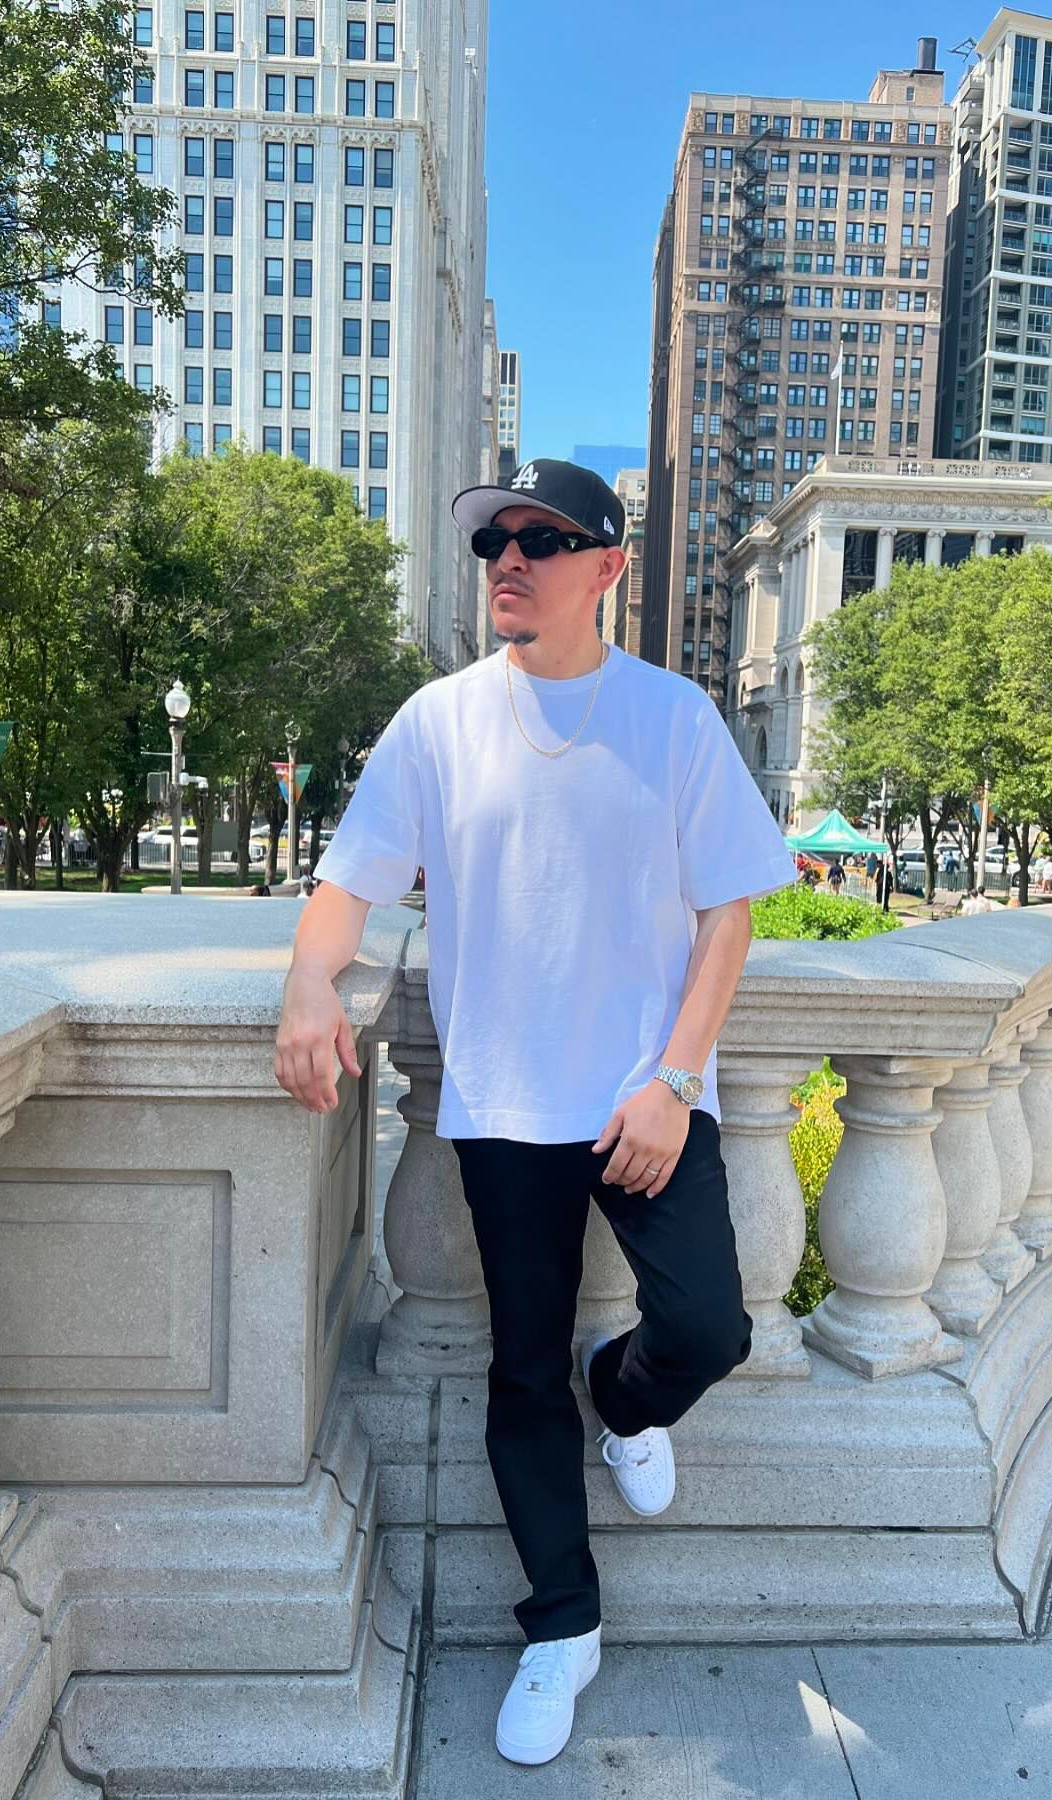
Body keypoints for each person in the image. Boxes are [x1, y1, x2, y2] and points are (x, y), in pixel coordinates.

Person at [273, 458, 795, 1769]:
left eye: (542, 538)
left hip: (646, 1095)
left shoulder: (674, 721)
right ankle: (562, 1628)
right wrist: (302, 985)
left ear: (606, 569)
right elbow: (349, 887)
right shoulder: (435, 724)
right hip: (505, 1104)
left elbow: (730, 913)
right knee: (517, 1367)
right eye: (492, 540)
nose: (508, 557)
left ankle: (625, 1405)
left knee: (707, 1326)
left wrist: (674, 1080)